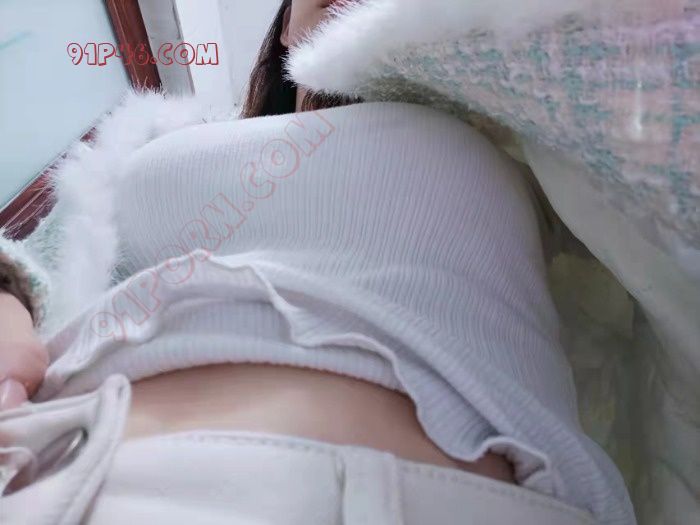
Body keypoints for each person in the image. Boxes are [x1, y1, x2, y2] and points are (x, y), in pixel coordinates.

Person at [0, 1, 634, 523]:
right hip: (55, 465)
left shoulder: (521, 137)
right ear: (285, 29)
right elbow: (42, 261)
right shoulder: (165, 137)